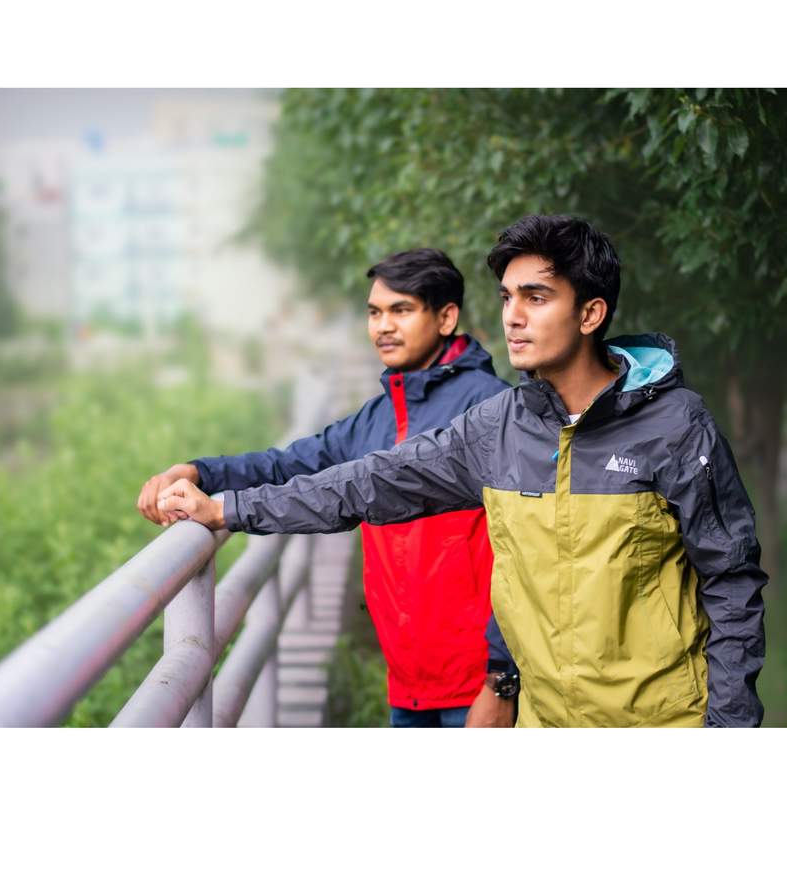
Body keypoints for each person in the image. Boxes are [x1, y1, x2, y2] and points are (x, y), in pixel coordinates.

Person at [157, 216, 767, 728]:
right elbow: (365, 483)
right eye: (506, 297)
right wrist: (225, 508)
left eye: (536, 297)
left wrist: (729, 730)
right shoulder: (498, 428)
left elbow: (732, 579)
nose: (513, 317)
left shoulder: (676, 425)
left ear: (590, 314)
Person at [139, 248, 518, 728]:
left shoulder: (492, 410)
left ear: (446, 318)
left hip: (478, 684)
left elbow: (524, 556)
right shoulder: (378, 417)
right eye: (374, 312)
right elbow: (290, 464)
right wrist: (200, 473)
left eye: (401, 310)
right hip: (409, 682)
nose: (383, 327)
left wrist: (501, 679)